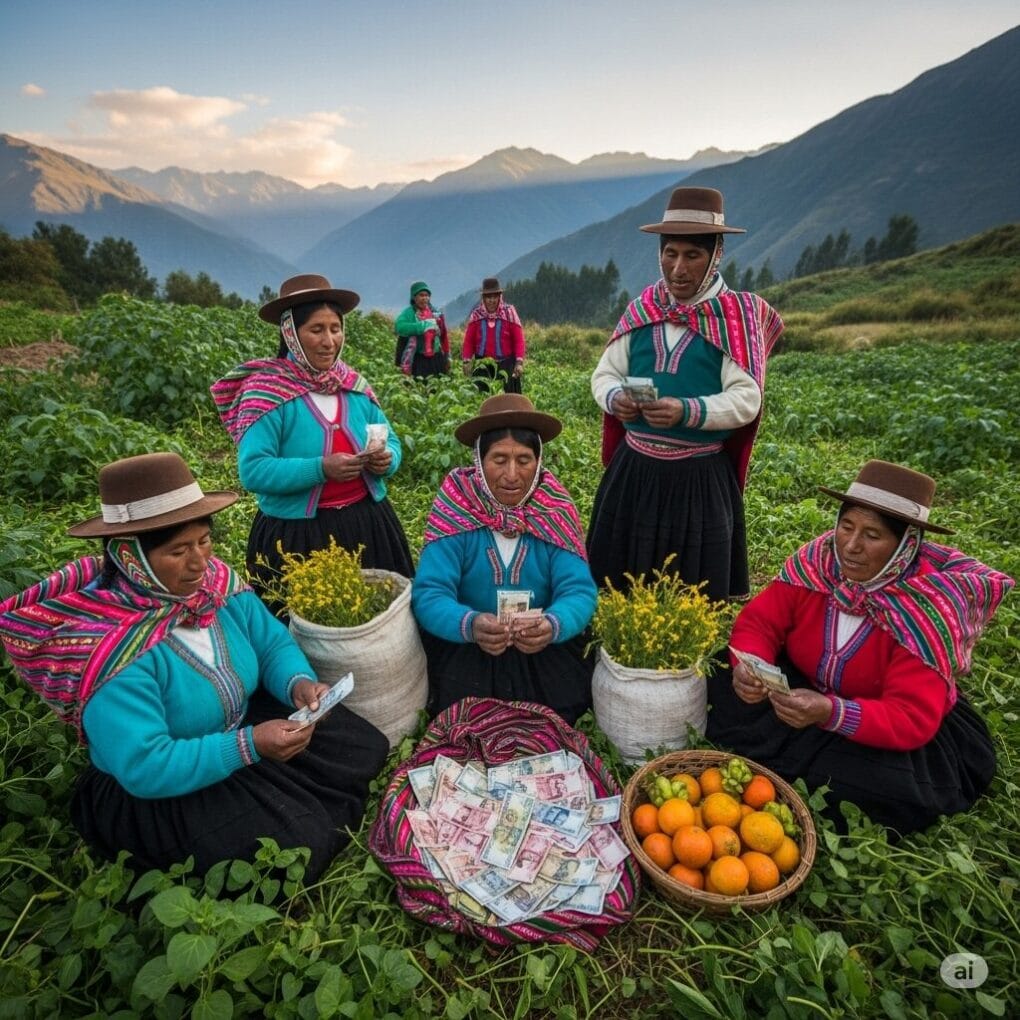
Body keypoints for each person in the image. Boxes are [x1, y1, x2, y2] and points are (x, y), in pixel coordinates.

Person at [0, 453, 389, 880]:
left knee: (365, 744)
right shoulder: (109, 651)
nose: (199, 562)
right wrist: (249, 746)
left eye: (204, 541)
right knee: (299, 844)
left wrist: (297, 684)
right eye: (178, 550)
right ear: (131, 559)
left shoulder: (214, 585)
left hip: (239, 723)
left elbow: (271, 642)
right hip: (165, 781)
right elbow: (147, 764)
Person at [706, 460, 1013, 835]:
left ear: (905, 545)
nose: (850, 546)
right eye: (846, 526)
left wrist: (829, 712)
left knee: (860, 787)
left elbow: (909, 716)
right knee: (720, 676)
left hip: (880, 719)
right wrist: (748, 665)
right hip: (806, 689)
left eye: (872, 535)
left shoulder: (926, 609)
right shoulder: (817, 563)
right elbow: (761, 622)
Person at [587, 187, 784, 600]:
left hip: (698, 478)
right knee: (621, 581)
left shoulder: (736, 317)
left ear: (716, 255)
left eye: (692, 255)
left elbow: (746, 398)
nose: (678, 268)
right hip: (635, 471)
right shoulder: (644, 309)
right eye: (669, 253)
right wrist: (613, 398)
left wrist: (687, 411)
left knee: (691, 589)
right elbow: (605, 373)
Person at [211, 274, 414, 618]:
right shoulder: (267, 392)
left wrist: (386, 459)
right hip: (297, 538)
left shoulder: (352, 386)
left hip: (367, 525)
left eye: (335, 328)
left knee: (379, 622)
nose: (328, 341)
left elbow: (390, 439)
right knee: (302, 632)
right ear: (291, 333)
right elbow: (253, 469)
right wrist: (321, 468)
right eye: (316, 330)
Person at [412, 394, 597, 724]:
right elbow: (429, 593)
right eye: (499, 459)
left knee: (560, 708)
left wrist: (553, 624)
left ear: (538, 463)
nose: (512, 474)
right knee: (463, 713)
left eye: (524, 460)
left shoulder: (553, 510)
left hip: (540, 647)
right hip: (470, 645)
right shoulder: (457, 509)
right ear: (479, 462)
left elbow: (579, 591)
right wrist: (470, 624)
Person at [461, 277, 526, 394]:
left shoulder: (509, 312)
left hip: (506, 366)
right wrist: (466, 361)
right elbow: (469, 341)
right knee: (483, 402)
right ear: (483, 299)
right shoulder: (476, 315)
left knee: (508, 403)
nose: (491, 300)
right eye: (488, 297)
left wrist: (519, 363)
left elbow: (518, 340)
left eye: (494, 296)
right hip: (482, 367)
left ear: (499, 297)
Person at [394, 280, 451, 379]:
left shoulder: (436, 314)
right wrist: (423, 326)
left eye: (427, 295)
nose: (425, 298)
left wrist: (447, 356)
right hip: (416, 359)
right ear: (414, 297)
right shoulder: (409, 313)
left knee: (436, 388)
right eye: (421, 295)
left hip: (435, 358)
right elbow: (399, 327)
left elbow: (443, 336)